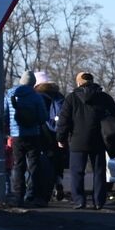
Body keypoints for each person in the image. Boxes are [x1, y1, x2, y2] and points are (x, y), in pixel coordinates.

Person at [56, 72, 115, 210]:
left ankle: (79, 200)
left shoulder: (72, 98)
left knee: (77, 172)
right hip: (99, 139)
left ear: (78, 83)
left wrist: (61, 138)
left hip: (77, 140)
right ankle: (99, 201)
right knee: (99, 171)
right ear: (92, 82)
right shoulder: (104, 97)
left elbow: (64, 120)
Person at [4, 70, 50, 206]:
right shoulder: (36, 97)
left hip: (16, 135)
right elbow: (44, 117)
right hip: (33, 134)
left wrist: (9, 128)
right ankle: (34, 195)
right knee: (34, 165)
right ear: (33, 83)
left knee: (18, 165)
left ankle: (18, 196)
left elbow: (5, 114)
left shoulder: (10, 94)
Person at [34, 71, 67, 202]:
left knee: (43, 162)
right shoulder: (58, 96)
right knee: (57, 160)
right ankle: (58, 181)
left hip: (43, 132)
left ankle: (44, 192)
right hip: (58, 133)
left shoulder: (37, 96)